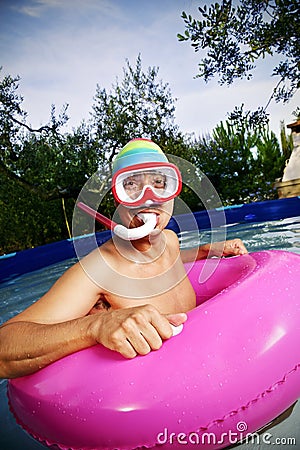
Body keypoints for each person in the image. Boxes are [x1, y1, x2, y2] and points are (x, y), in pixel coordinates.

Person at [0, 138, 247, 379]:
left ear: (173, 192)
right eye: (131, 185)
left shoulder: (169, 240)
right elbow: (4, 348)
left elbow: (172, 259)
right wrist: (97, 326)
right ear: (118, 197)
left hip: (207, 369)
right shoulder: (99, 270)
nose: (149, 196)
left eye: (160, 182)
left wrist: (208, 249)